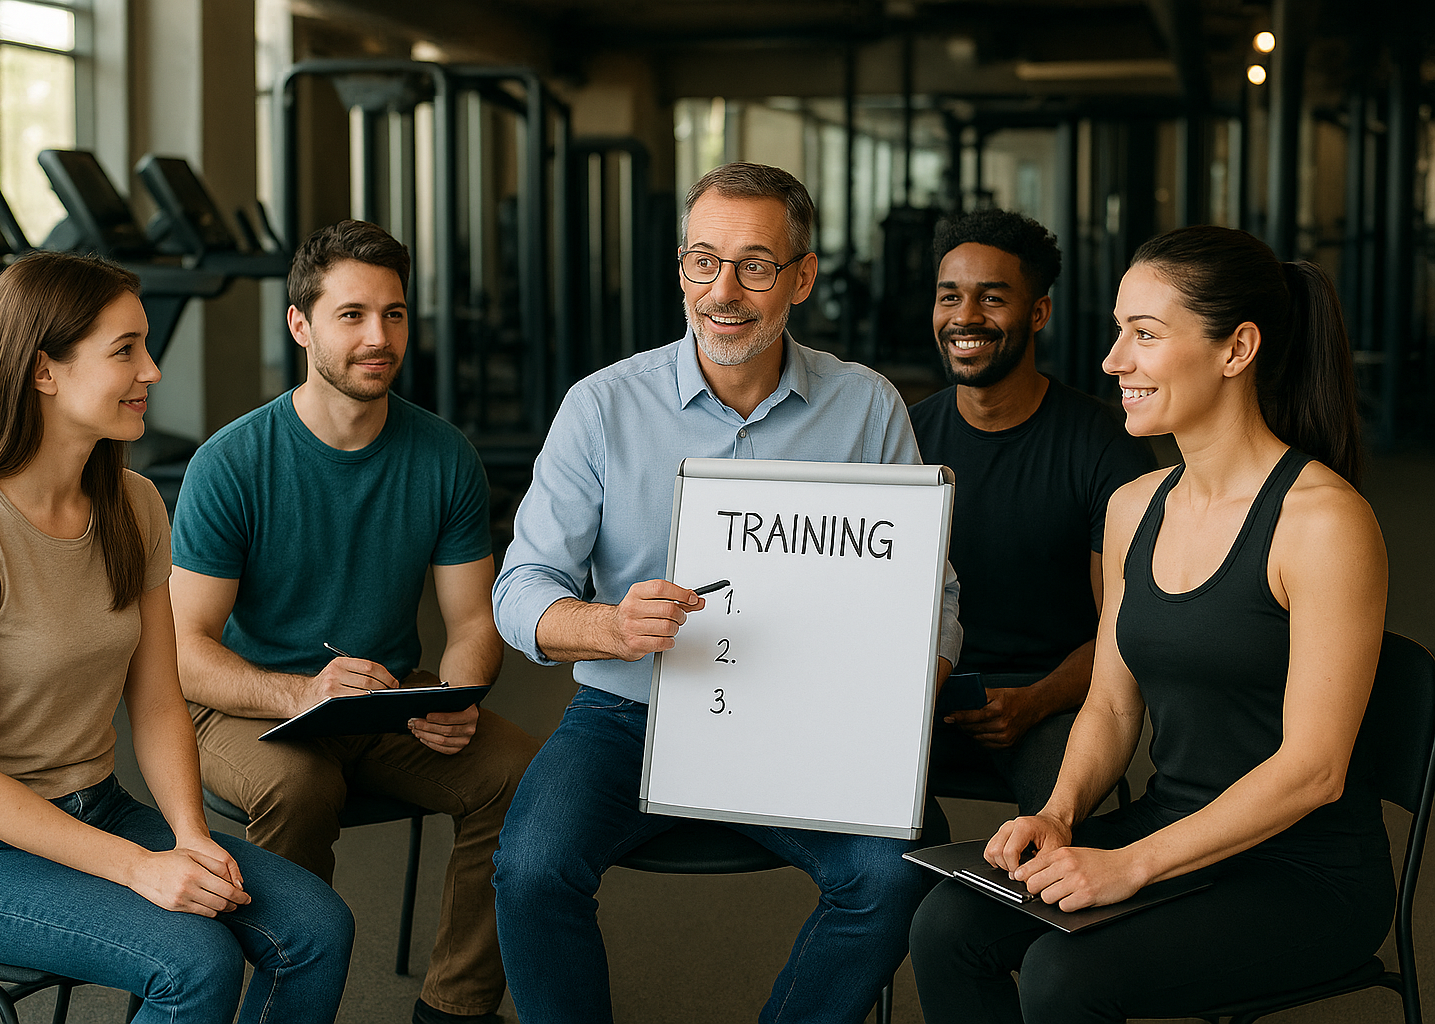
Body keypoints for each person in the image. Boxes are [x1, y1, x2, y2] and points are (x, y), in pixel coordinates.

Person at [491, 161, 962, 1024]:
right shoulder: (600, 407)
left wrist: (902, 703)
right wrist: (607, 623)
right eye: (703, 262)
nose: (723, 291)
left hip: (807, 718)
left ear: (803, 277)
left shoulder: (866, 407)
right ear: (680, 270)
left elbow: (932, 593)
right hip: (630, 713)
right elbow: (521, 589)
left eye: (754, 265)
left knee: (895, 876)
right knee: (529, 867)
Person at [910, 224, 1393, 1023]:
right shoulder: (1137, 507)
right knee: (948, 926)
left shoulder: (1324, 523)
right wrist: (1060, 816)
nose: (1112, 361)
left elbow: (1315, 770)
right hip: (1172, 827)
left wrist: (1130, 865)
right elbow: (1110, 703)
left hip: (1303, 871)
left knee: (1068, 976)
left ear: (1236, 349)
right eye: (1115, 332)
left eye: (1144, 335)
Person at [0, 251, 353, 1023]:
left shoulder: (133, 504)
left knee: (316, 928)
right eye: (126, 350)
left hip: (96, 806)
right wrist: (143, 870)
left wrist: (187, 835)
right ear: (44, 371)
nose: (153, 370)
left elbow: (157, 699)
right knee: (193, 961)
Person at [169, 220, 538, 1024]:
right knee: (300, 785)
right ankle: (289, 1007)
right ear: (301, 325)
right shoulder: (231, 464)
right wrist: (301, 695)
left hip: (385, 700)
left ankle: (455, 1007)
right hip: (245, 706)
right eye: (353, 315)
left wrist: (452, 690)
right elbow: (183, 653)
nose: (380, 337)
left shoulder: (443, 456)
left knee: (524, 774)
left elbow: (473, 619)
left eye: (395, 314)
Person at [911, 208, 1153, 815]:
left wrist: (1037, 699)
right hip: (924, 695)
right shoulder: (906, 438)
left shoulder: (1105, 445)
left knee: (1059, 833)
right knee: (865, 832)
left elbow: (1125, 630)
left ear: (1037, 312)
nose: (965, 317)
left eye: (992, 298)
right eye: (950, 297)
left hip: (1050, 700)